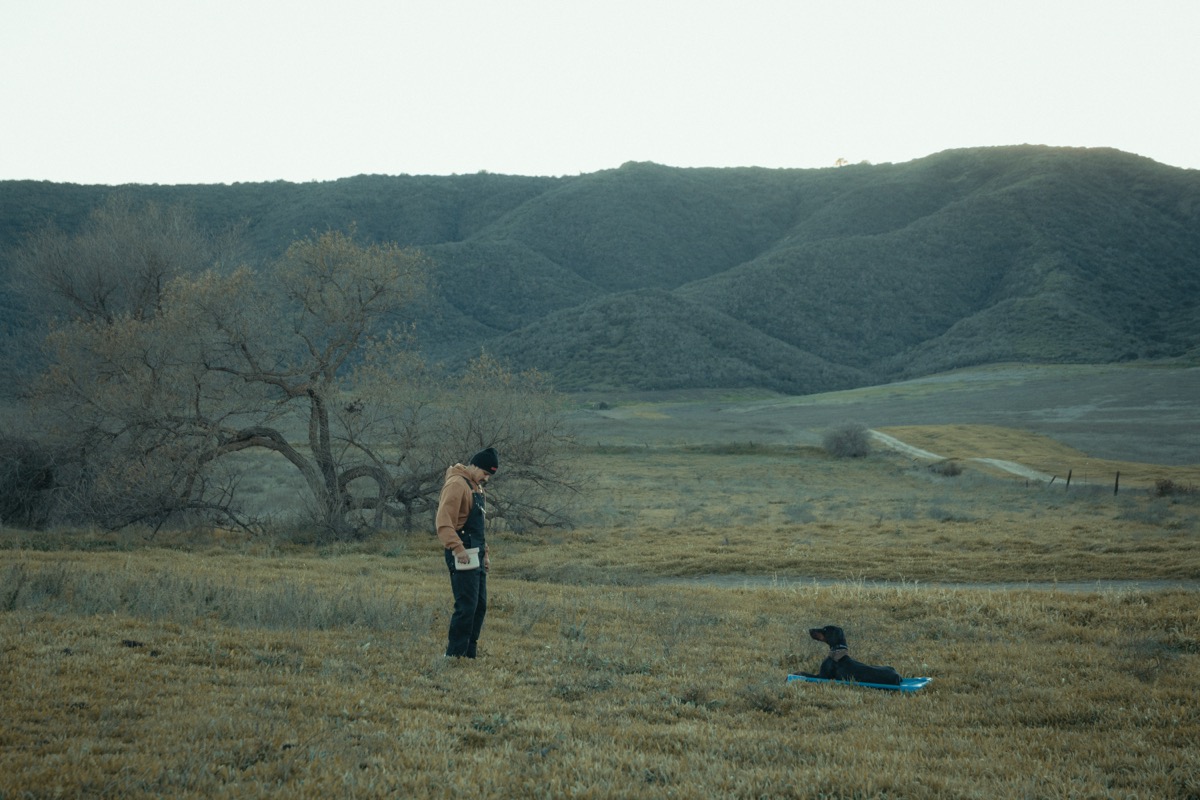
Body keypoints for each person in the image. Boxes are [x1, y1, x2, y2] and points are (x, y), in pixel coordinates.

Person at [435, 447, 498, 658]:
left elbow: (478, 527)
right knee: (466, 606)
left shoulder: (477, 488)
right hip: (461, 553)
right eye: (485, 473)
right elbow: (444, 522)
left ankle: (469, 654)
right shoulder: (456, 484)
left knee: (479, 606)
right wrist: (458, 548)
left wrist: (485, 553)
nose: (486, 479)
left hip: (477, 553)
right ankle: (454, 656)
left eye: (489, 475)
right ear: (475, 466)